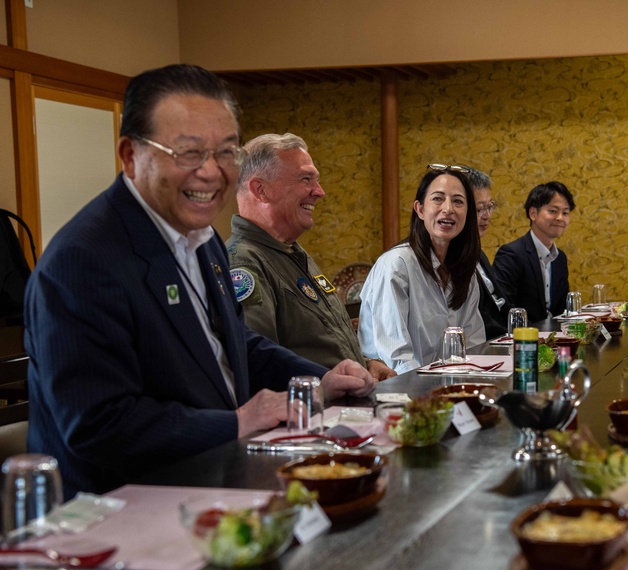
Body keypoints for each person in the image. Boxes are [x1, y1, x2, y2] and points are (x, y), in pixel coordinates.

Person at [23, 65, 375, 498]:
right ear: (131, 155)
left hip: (218, 479)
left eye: (226, 152)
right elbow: (99, 426)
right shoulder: (82, 260)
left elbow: (233, 343)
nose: (212, 172)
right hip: (119, 513)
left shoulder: (202, 236)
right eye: (188, 153)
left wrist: (318, 380)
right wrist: (238, 422)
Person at [226, 133, 394, 380]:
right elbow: (256, 362)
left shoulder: (291, 251)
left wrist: (365, 363)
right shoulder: (244, 263)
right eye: (306, 179)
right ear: (260, 190)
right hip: (311, 413)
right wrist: (327, 382)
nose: (320, 192)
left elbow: (317, 343)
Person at [358, 165, 485, 372]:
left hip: (448, 386)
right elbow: (396, 358)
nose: (448, 208)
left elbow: (473, 346)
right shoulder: (396, 265)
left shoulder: (465, 271)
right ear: (420, 209)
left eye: (458, 201)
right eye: (438, 198)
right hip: (398, 390)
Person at [493, 181, 575, 322]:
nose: (560, 218)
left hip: (555, 337)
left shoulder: (560, 257)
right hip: (524, 338)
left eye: (565, 213)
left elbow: (563, 307)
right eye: (553, 211)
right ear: (533, 213)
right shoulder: (511, 254)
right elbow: (504, 308)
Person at [465, 167, 510, 339]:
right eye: (479, 209)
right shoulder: (450, 258)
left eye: (490, 206)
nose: (487, 216)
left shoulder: (479, 253)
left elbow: (502, 305)